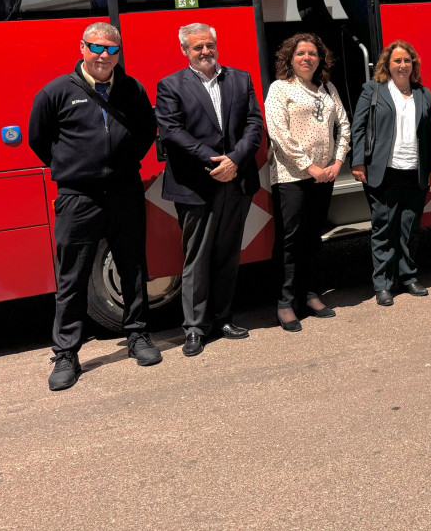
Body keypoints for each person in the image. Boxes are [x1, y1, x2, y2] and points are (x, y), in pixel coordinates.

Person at [27, 22, 161, 391]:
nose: (104, 56)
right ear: (82, 47)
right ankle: (67, 352)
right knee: (72, 276)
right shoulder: (56, 91)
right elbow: (38, 138)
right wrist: (74, 167)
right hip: (78, 196)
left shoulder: (131, 88)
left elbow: (147, 130)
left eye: (112, 50)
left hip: (124, 191)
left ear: (119, 53)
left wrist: (123, 162)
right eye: (96, 47)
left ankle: (137, 335)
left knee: (132, 266)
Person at [155, 23, 264, 357]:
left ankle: (222, 319)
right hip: (196, 185)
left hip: (237, 181)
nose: (205, 52)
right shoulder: (171, 85)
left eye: (209, 45)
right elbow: (172, 130)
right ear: (185, 51)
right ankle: (194, 328)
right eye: (197, 47)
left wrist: (234, 160)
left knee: (228, 254)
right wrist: (215, 160)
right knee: (197, 258)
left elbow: (254, 124)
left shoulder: (240, 79)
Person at [265, 33, 351, 331]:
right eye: (300, 53)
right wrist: (309, 167)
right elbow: (278, 134)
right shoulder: (279, 89)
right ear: (290, 58)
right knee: (291, 239)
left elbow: (344, 125)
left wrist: (338, 162)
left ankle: (311, 294)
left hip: (325, 176)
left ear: (319, 59)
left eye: (312, 53)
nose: (307, 58)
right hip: (292, 177)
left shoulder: (327, 88)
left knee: (314, 236)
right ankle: (286, 302)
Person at [350, 41, 431, 306]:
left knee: (409, 228)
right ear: (387, 65)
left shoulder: (423, 93)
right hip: (384, 171)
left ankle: (409, 277)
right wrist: (358, 162)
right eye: (397, 61)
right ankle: (383, 284)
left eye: (407, 61)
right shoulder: (373, 90)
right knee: (383, 229)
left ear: (413, 64)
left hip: (415, 171)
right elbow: (359, 127)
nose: (402, 65)